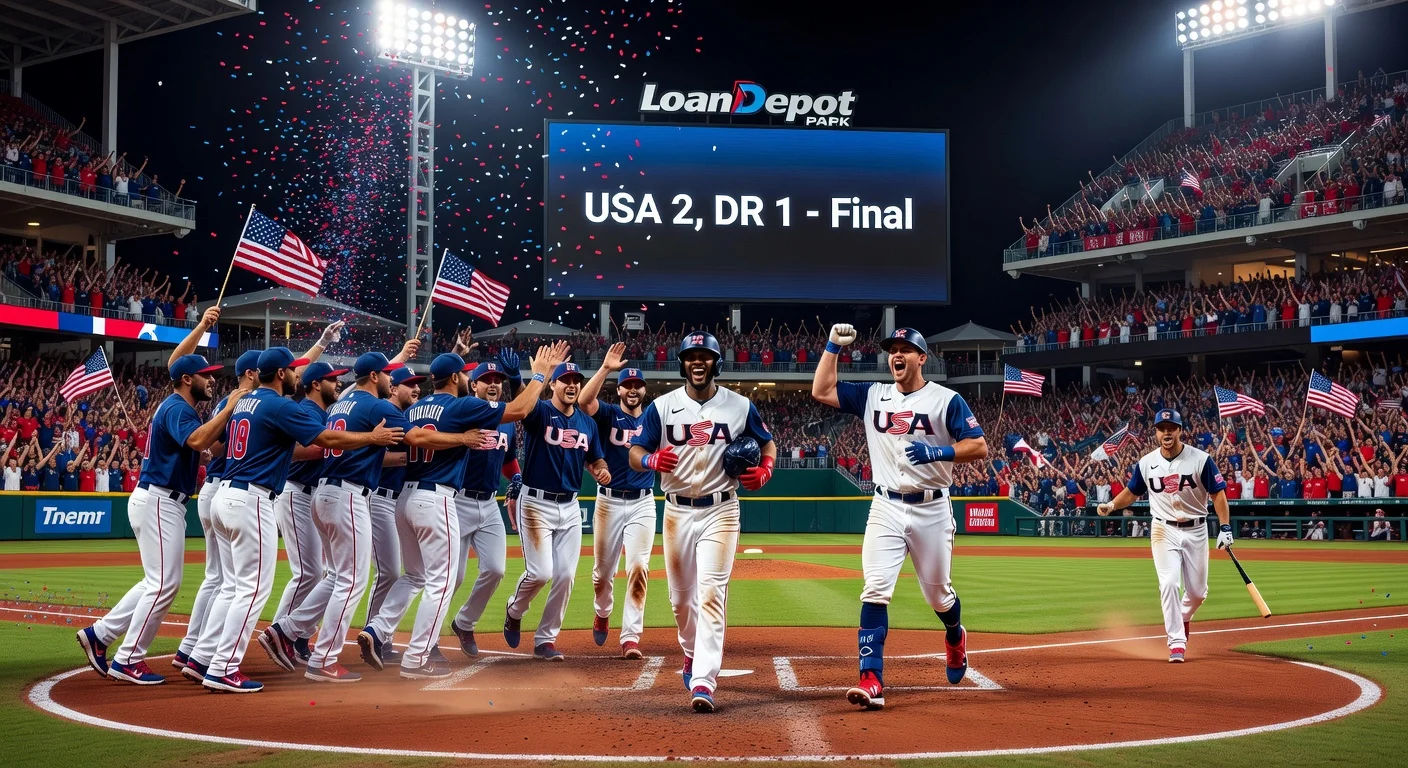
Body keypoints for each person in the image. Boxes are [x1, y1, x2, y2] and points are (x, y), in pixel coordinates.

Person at [195, 346, 403, 694]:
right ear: (281, 374)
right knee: (253, 588)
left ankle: (203, 655)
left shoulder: (246, 401)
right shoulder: (279, 405)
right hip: (253, 496)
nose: (297, 376)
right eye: (293, 370)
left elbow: (213, 447)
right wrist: (371, 437)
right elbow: (324, 439)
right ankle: (223, 667)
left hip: (227, 492)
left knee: (233, 586)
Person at [360, 345, 564, 679]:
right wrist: (540, 373)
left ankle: (377, 629)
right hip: (438, 498)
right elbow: (520, 409)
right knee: (441, 582)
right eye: (467, 373)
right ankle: (417, 658)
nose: (470, 378)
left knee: (415, 575)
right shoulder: (462, 404)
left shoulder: (413, 409)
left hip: (405, 498)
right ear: (456, 377)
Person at [811, 325, 987, 711]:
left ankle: (955, 636)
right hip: (886, 506)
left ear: (922, 358)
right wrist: (833, 347)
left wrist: (938, 454)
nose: (897, 355)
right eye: (893, 349)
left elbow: (978, 445)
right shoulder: (875, 394)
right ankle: (871, 678)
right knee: (875, 588)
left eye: (906, 349)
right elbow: (821, 390)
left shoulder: (946, 400)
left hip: (932, 509)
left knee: (938, 596)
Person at [76, 310, 245, 685]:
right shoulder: (177, 407)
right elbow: (200, 441)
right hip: (158, 499)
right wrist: (231, 407)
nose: (212, 382)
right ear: (188, 380)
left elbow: (210, 447)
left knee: (156, 581)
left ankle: (100, 635)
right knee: (163, 584)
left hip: (160, 499)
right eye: (206, 376)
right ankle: (128, 658)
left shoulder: (180, 406)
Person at [629, 330, 776, 713]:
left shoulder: (740, 406)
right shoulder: (661, 407)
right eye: (691, 356)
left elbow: (767, 444)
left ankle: (704, 681)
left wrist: (766, 470)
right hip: (676, 510)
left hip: (721, 510)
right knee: (680, 601)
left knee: (711, 593)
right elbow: (635, 451)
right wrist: (649, 461)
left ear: (716, 363)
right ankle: (692, 653)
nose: (698, 362)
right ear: (683, 363)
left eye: (705, 356)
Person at [261, 349, 425, 683]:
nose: (392, 382)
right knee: (351, 581)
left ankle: (286, 629)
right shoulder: (376, 406)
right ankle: (323, 659)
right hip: (348, 494)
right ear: (376, 376)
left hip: (324, 493)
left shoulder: (339, 405)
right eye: (388, 375)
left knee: (337, 576)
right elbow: (416, 438)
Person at [1098, 408, 1233, 663]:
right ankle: (1176, 642)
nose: (1167, 432)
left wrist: (1225, 527)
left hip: (1197, 529)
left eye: (1172, 428)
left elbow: (1218, 494)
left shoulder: (1201, 459)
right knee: (1169, 583)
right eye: (1162, 428)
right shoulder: (1147, 462)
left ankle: (1182, 618)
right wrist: (1113, 505)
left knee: (1197, 594)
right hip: (1163, 529)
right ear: (1156, 433)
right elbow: (1132, 491)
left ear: (1180, 430)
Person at [504, 359, 611, 662]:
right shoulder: (541, 412)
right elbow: (523, 404)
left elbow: (596, 459)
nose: (572, 384)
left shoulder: (587, 423)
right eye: (565, 379)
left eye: (576, 380)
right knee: (540, 573)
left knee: (565, 576)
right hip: (536, 503)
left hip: (570, 506)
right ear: (553, 384)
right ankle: (514, 611)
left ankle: (545, 640)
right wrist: (516, 377)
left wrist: (602, 471)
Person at [256, 360, 350, 670]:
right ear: (313, 384)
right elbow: (295, 449)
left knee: (317, 572)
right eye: (330, 379)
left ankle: (291, 635)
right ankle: (281, 633)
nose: (336, 383)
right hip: (297, 490)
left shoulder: (321, 412)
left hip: (310, 493)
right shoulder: (308, 411)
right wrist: (333, 447)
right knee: (307, 572)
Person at [172, 349, 260, 679]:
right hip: (227, 489)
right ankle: (203, 655)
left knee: (218, 579)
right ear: (252, 374)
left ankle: (191, 650)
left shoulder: (230, 402)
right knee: (231, 583)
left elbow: (216, 448)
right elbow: (213, 448)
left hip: (215, 489)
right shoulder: (244, 403)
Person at [578, 344, 657, 659]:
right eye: (628, 385)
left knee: (639, 567)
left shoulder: (653, 418)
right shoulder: (609, 413)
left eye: (638, 386)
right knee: (602, 573)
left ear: (644, 390)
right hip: (609, 502)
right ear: (620, 389)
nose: (633, 390)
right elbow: (584, 401)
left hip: (643, 502)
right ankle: (602, 610)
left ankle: (631, 637)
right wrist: (606, 369)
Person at [447, 356, 523, 659]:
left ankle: (464, 622)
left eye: (498, 380)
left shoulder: (504, 423)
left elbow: (507, 460)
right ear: (473, 384)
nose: (493, 384)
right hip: (458, 500)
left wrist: (516, 476)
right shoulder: (463, 413)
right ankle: (426, 640)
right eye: (487, 379)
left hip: (489, 503)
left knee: (495, 568)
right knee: (454, 576)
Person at [361, 362, 426, 664]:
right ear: (393, 386)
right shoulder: (384, 413)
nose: (416, 388)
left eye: (418, 383)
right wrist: (410, 459)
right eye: (409, 383)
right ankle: (374, 634)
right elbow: (375, 457)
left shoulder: (403, 414)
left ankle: (378, 635)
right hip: (381, 498)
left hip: (400, 501)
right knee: (389, 573)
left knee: (401, 573)